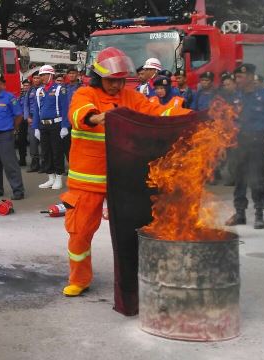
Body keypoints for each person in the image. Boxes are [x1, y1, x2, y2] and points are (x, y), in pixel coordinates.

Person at [62, 47, 190, 297]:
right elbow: (79, 115)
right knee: (79, 235)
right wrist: (98, 117)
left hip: (124, 180)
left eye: (120, 80)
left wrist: (184, 114)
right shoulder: (84, 94)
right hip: (87, 183)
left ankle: (137, 279)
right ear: (99, 77)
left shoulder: (130, 97)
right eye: (111, 80)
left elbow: (155, 112)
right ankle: (79, 279)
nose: (116, 85)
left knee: (134, 233)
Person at [224, 64, 264, 229]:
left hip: (257, 143)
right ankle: (240, 213)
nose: (237, 80)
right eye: (236, 77)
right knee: (239, 179)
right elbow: (229, 122)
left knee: (257, 179)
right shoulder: (235, 96)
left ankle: (259, 214)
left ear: (250, 77)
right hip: (238, 143)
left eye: (240, 77)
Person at [32, 65, 69, 190]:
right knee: (46, 152)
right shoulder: (39, 91)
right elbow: (36, 110)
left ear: (51, 75)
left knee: (57, 151)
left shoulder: (60, 89)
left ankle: (58, 177)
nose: (42, 77)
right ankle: (50, 178)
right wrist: (35, 127)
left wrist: (64, 126)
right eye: (41, 75)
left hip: (56, 124)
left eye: (44, 75)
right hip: (43, 125)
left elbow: (65, 109)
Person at [26, 71, 42, 173]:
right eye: (34, 78)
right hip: (32, 119)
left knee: (44, 143)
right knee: (33, 142)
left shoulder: (44, 89)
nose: (36, 80)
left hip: (42, 119)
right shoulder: (30, 90)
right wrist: (27, 117)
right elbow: (26, 105)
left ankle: (45, 164)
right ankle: (34, 165)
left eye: (38, 78)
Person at [16, 79, 31, 166]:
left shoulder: (33, 94)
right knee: (21, 140)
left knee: (33, 141)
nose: (26, 87)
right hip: (22, 120)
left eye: (27, 85)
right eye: (24, 86)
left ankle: (36, 161)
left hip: (30, 118)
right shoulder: (21, 96)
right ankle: (22, 159)